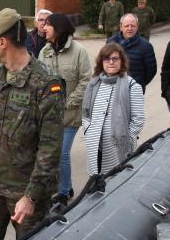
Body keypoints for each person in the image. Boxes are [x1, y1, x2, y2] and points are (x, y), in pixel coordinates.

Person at [0, 9, 64, 240]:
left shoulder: (46, 82)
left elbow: (50, 147)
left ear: (2, 42)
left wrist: (32, 196)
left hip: (25, 194)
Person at [38, 13, 91, 204]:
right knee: (52, 153)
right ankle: (65, 188)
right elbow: (39, 80)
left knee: (62, 153)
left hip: (70, 114)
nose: (44, 27)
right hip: (49, 114)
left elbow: (86, 80)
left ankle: (62, 192)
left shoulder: (79, 51)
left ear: (58, 28)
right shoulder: (44, 52)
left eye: (48, 25)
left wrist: (68, 102)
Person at [82, 44, 146, 176]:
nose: (111, 62)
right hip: (95, 143)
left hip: (118, 147)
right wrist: (88, 130)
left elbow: (138, 119)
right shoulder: (94, 84)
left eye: (115, 58)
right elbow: (86, 113)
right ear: (101, 62)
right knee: (95, 181)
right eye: (107, 58)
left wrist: (126, 139)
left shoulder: (132, 86)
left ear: (122, 61)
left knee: (116, 181)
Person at [107, 13, 157, 92]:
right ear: (121, 27)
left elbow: (151, 71)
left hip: (135, 91)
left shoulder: (146, 46)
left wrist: (139, 84)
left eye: (133, 26)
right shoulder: (111, 42)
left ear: (137, 26)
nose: (130, 28)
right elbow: (105, 64)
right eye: (126, 26)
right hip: (113, 89)